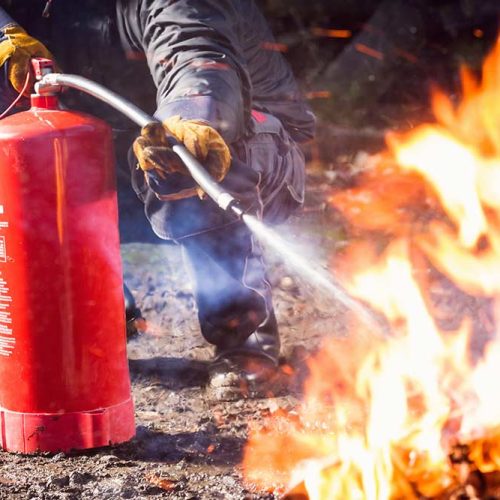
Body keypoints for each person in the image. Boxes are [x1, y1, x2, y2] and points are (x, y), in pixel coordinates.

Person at [0, 0, 316, 400]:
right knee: (27, 147)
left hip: (245, 135)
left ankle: (242, 334)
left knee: (182, 150)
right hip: (109, 147)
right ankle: (95, 310)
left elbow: (193, 49)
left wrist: (193, 115)